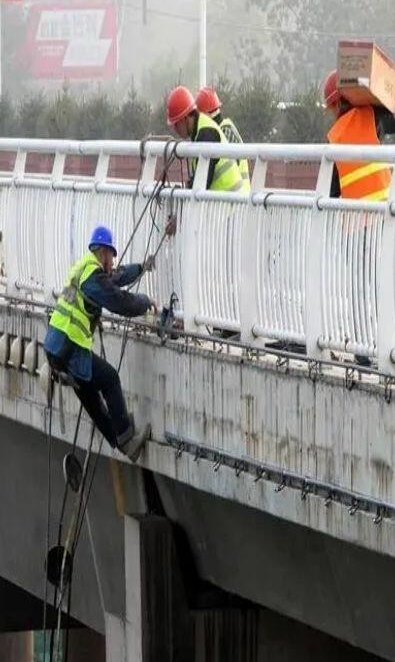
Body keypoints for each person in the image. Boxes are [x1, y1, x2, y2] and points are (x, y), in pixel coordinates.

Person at [44, 226, 158, 462]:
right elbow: (119, 301)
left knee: (90, 395)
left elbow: (115, 278)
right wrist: (145, 302)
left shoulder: (85, 268)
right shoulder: (93, 278)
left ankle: (119, 439)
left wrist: (141, 268)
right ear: (104, 252)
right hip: (69, 348)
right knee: (109, 379)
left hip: (55, 349)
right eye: (111, 256)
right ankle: (126, 438)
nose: (112, 261)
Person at [323, 68, 395, 200]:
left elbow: (331, 192)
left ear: (338, 103)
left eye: (331, 108)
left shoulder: (334, 136)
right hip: (385, 211)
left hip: (355, 216)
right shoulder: (371, 116)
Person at [165, 85, 249, 194]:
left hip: (228, 204)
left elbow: (203, 180)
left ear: (186, 118)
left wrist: (183, 192)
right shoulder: (201, 130)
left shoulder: (206, 133)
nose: (175, 129)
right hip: (225, 201)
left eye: (176, 124)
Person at [195, 86, 250, 187]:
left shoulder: (224, 131)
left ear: (204, 115)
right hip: (233, 197)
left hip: (235, 197)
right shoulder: (224, 129)